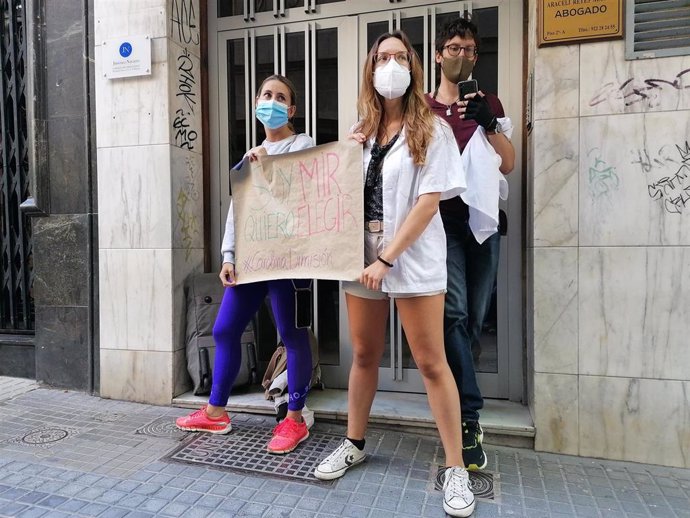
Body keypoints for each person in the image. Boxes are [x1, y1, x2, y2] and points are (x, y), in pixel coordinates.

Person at [313, 31, 476, 517]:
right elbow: (329, 191)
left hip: (410, 257)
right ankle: (354, 442)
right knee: (364, 354)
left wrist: (387, 259)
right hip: (359, 255)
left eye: (399, 57)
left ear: (413, 67)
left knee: (431, 362)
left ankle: (456, 467)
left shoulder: (433, 131)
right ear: (370, 68)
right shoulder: (359, 133)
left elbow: (429, 204)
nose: (390, 65)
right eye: (382, 58)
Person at [176, 75, 315, 455]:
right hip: (252, 261)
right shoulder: (248, 156)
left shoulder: (303, 145)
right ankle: (216, 411)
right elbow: (238, 211)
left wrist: (269, 165)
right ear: (256, 102)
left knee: (292, 335)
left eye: (280, 96)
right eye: (266, 95)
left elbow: (307, 191)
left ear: (292, 109)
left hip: (288, 262)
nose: (271, 101)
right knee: (224, 329)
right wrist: (228, 255)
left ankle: (295, 419)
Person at [426, 17, 515, 471]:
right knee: (455, 313)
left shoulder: (488, 103)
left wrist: (491, 122)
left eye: (469, 50)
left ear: (476, 57)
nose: (461, 55)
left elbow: (510, 163)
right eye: (453, 48)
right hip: (442, 228)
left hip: (483, 225)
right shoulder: (421, 108)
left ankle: (459, 392)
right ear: (439, 54)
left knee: (473, 320)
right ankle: (468, 418)